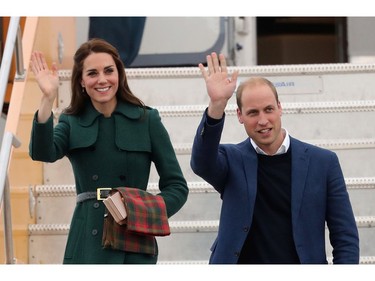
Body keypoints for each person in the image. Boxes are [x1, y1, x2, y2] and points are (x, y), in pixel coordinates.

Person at [29, 38, 188, 264]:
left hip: (133, 238)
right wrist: (47, 98)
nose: (102, 80)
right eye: (92, 73)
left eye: (108, 71)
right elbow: (42, 153)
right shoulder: (71, 121)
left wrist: (143, 212)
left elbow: (177, 186)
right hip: (87, 238)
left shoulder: (146, 120)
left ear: (119, 75)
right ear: (82, 81)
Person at [190, 52, 359, 264]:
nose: (263, 120)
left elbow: (345, 236)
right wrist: (216, 105)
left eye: (268, 109)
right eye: (253, 113)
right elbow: (201, 163)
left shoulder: (323, 163)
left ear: (280, 108)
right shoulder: (230, 160)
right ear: (240, 116)